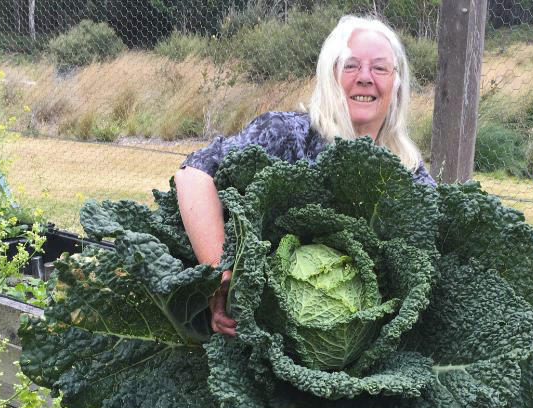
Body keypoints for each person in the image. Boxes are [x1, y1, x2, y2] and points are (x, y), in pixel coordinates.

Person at [174, 15, 435, 336]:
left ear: (396, 84)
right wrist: (220, 278)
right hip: (255, 336)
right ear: (330, 75)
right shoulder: (287, 136)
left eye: (380, 68)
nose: (365, 78)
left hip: (368, 356)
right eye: (351, 65)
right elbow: (194, 174)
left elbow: (437, 260)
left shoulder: (406, 172)